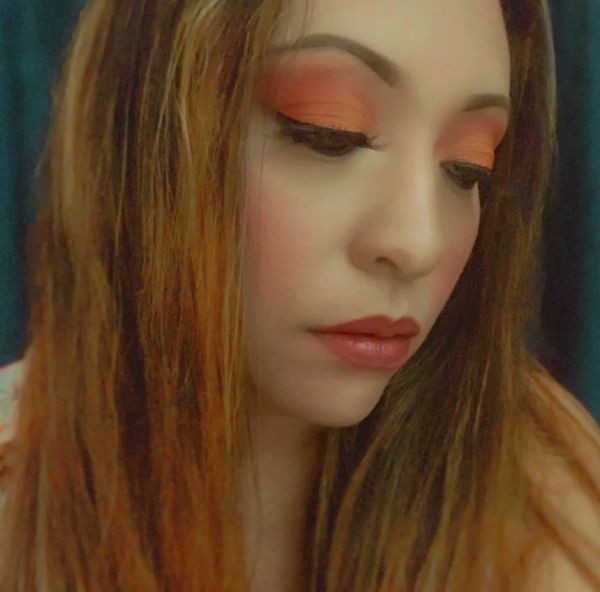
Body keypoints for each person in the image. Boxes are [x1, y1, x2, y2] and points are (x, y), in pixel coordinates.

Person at [0, 0, 599, 590]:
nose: (419, 242)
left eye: (468, 167)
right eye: (330, 134)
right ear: (139, 134)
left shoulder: (545, 506)